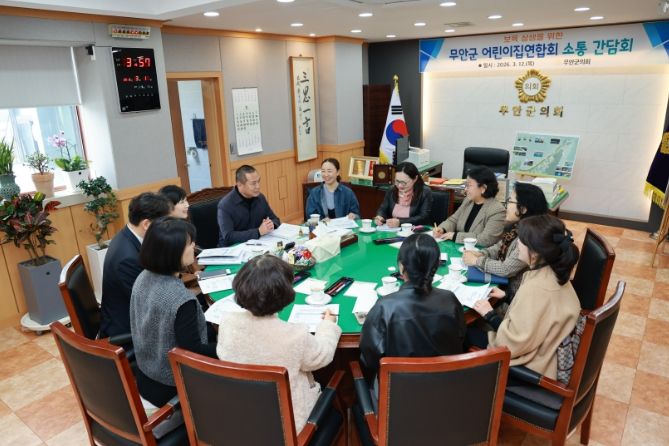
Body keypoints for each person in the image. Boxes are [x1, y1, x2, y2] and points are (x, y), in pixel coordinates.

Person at [216, 255, 341, 433]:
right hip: (290, 427)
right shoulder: (295, 336)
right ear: (285, 292)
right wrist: (328, 325)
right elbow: (322, 355)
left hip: (242, 417)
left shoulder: (227, 322)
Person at [470, 214, 581, 380]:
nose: (517, 244)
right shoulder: (554, 272)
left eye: (521, 241)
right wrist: (507, 296)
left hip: (533, 369)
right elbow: (538, 314)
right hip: (545, 351)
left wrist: (489, 315)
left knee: (463, 332)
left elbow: (509, 344)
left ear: (534, 253)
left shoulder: (536, 287)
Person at [130, 217, 217, 407]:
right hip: (171, 383)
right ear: (173, 252)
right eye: (189, 243)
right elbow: (194, 352)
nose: (194, 246)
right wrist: (226, 347)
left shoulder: (143, 277)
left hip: (146, 371)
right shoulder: (181, 300)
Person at [359, 233, 466, 386]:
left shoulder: (384, 306)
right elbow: (460, 338)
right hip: (448, 387)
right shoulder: (450, 299)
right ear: (436, 266)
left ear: (401, 266)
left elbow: (370, 358)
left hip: (398, 393)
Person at [100, 192, 171, 338]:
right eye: (164, 223)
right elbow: (151, 304)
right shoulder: (127, 259)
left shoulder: (128, 236)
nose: (167, 228)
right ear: (146, 224)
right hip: (130, 330)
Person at [463, 182, 548, 301]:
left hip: (514, 297)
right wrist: (481, 253)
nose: (506, 205)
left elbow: (506, 269)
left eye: (510, 201)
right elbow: (498, 247)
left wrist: (476, 261)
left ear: (523, 209)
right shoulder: (516, 228)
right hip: (505, 289)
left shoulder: (530, 237)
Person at [433, 166, 505, 247]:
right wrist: (442, 229)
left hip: (479, 252)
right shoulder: (468, 201)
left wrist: (455, 236)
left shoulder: (497, 210)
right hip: (460, 247)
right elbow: (453, 220)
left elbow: (486, 239)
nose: (465, 189)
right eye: (465, 185)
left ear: (483, 188)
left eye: (469, 185)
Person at [217, 165, 281, 246]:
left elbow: (275, 219)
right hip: (232, 248)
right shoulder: (225, 205)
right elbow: (228, 236)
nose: (258, 186)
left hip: (256, 244)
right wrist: (258, 232)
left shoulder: (260, 198)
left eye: (258, 181)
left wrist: (271, 224)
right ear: (240, 184)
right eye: (253, 183)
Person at [374, 162, 433, 227]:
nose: (400, 186)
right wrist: (379, 216)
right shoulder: (392, 189)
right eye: (397, 181)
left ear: (415, 179)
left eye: (403, 182)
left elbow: (423, 217)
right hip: (393, 229)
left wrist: (400, 222)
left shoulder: (425, 192)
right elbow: (383, 208)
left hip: (416, 229)